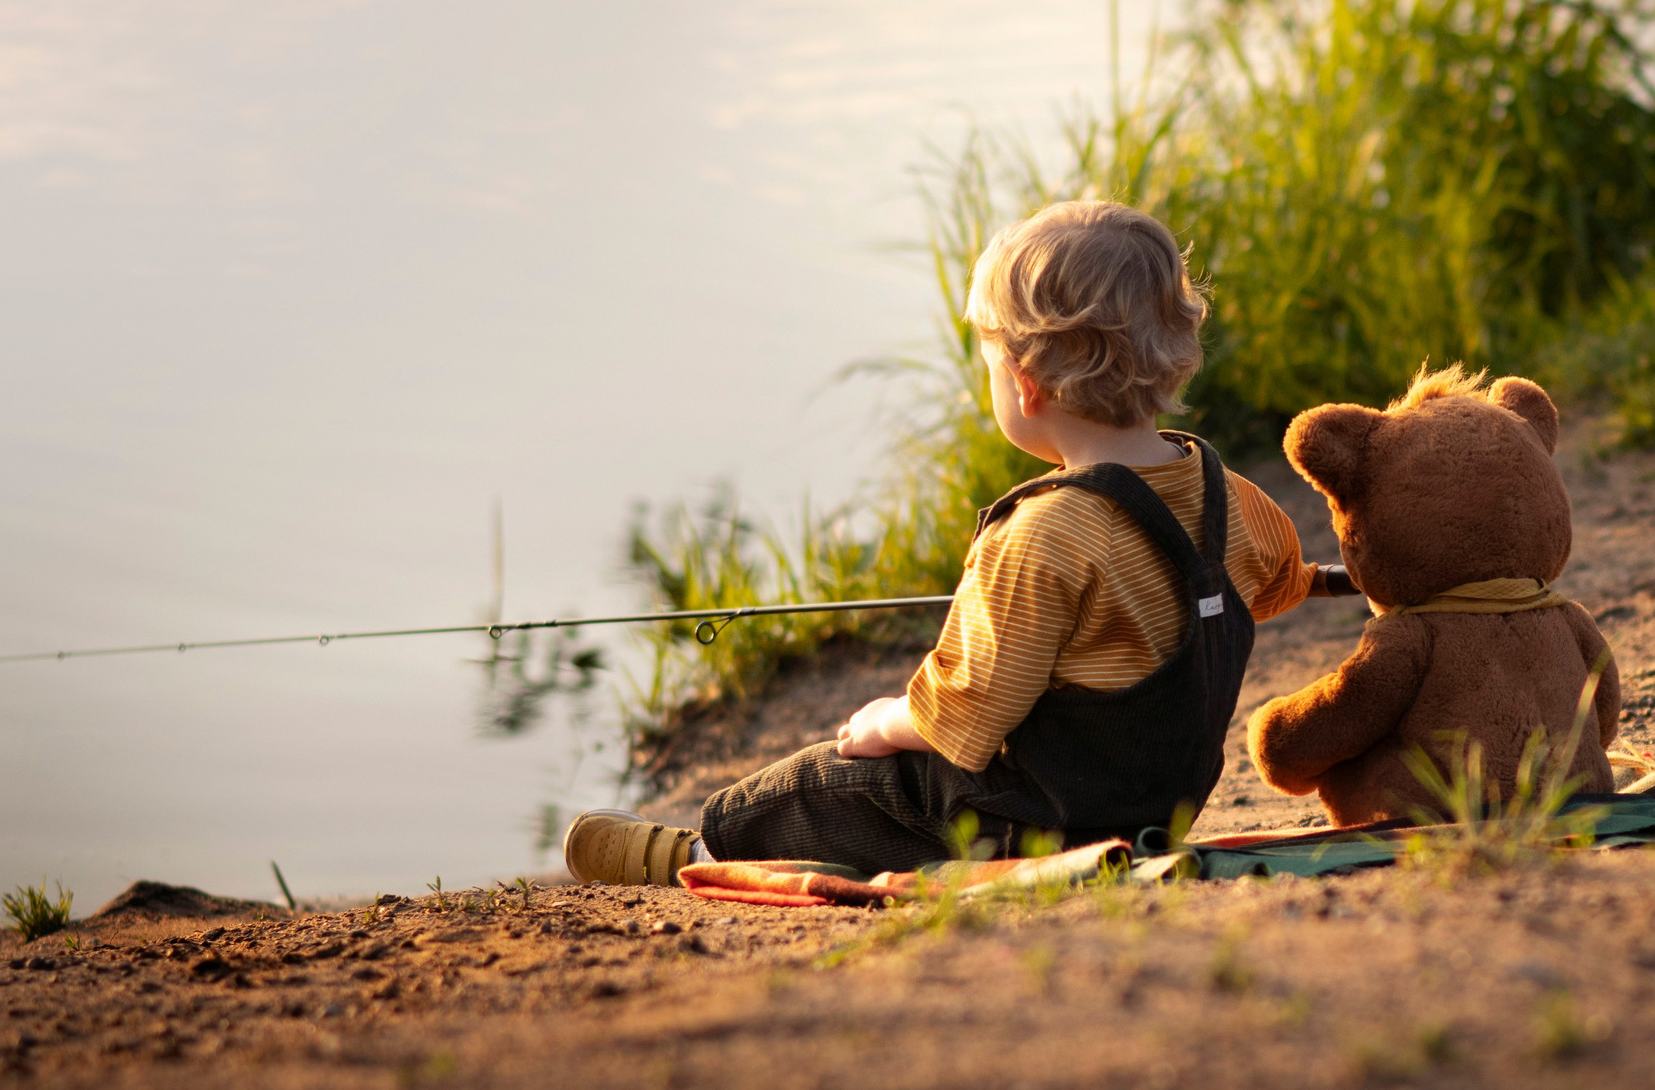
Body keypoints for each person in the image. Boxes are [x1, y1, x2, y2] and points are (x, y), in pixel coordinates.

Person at [561, 199, 1345, 886]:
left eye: (989, 364)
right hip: (1153, 810)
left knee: (808, 789)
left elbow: (969, 708)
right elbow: (1276, 584)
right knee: (863, 791)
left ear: (1026, 384)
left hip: (1024, 819)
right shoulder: (1228, 496)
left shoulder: (1042, 532)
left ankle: (701, 849)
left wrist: (888, 720)